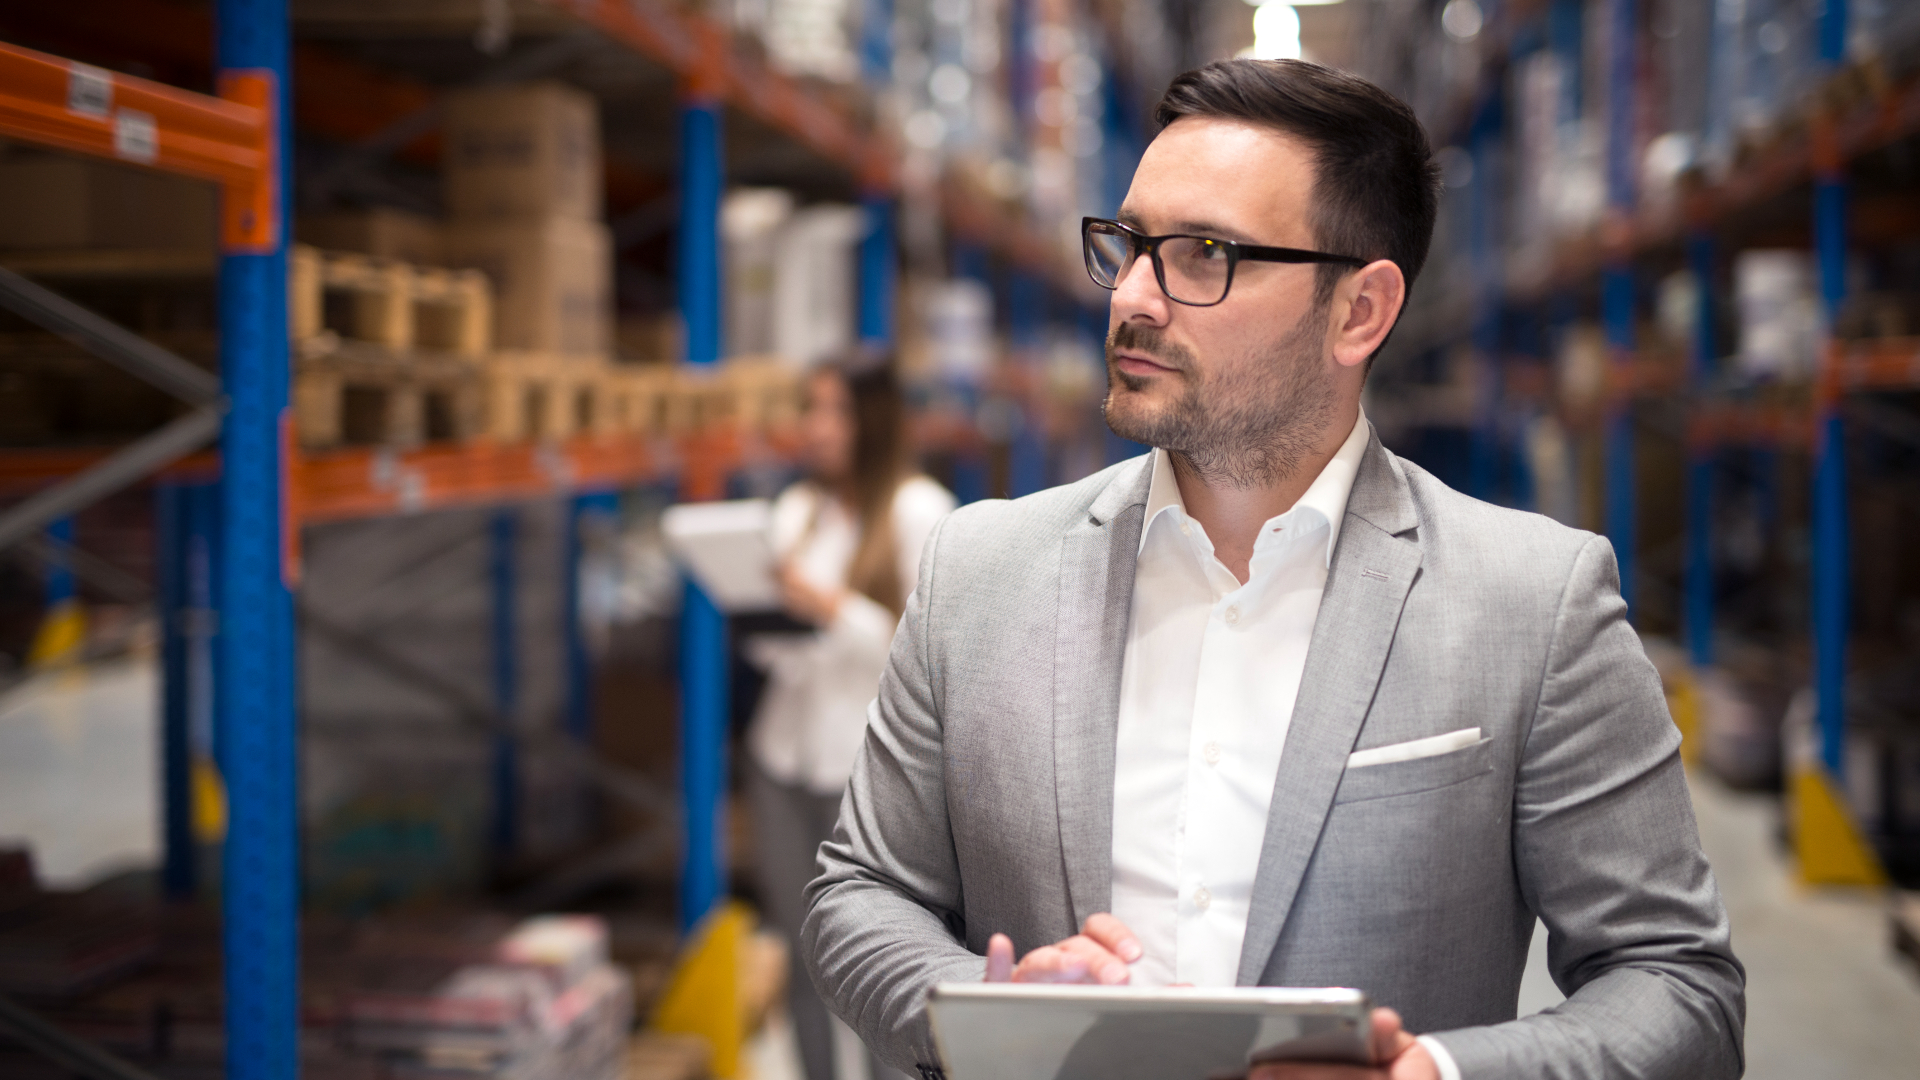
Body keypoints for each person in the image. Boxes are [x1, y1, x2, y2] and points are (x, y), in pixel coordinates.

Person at [802, 59, 1744, 1080]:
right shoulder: (978, 572)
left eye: (1202, 253)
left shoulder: (1533, 602)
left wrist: (1436, 1073)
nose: (1134, 295)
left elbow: (1679, 984)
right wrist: (991, 1008)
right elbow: (861, 893)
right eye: (1127, 245)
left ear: (1360, 312)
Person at [745, 357, 955, 1080]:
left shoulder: (918, 510)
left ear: (874, 418)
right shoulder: (796, 510)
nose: (817, 429)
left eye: (836, 411)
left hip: (865, 769)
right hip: (783, 754)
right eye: (812, 409)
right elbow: (770, 649)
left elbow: (923, 650)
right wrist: (762, 606)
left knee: (869, 963)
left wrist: (827, 606)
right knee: (801, 953)